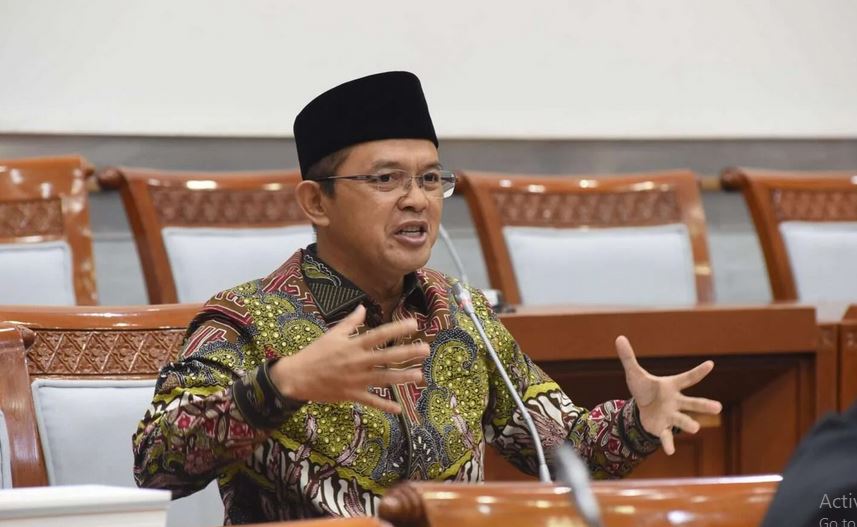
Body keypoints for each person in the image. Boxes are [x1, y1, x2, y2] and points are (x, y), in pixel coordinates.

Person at [133, 71, 722, 524]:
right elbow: (157, 463)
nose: (417, 199)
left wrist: (638, 421)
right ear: (316, 202)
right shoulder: (245, 321)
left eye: (431, 178)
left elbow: (562, 451)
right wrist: (281, 386)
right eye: (386, 179)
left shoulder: (460, 311)